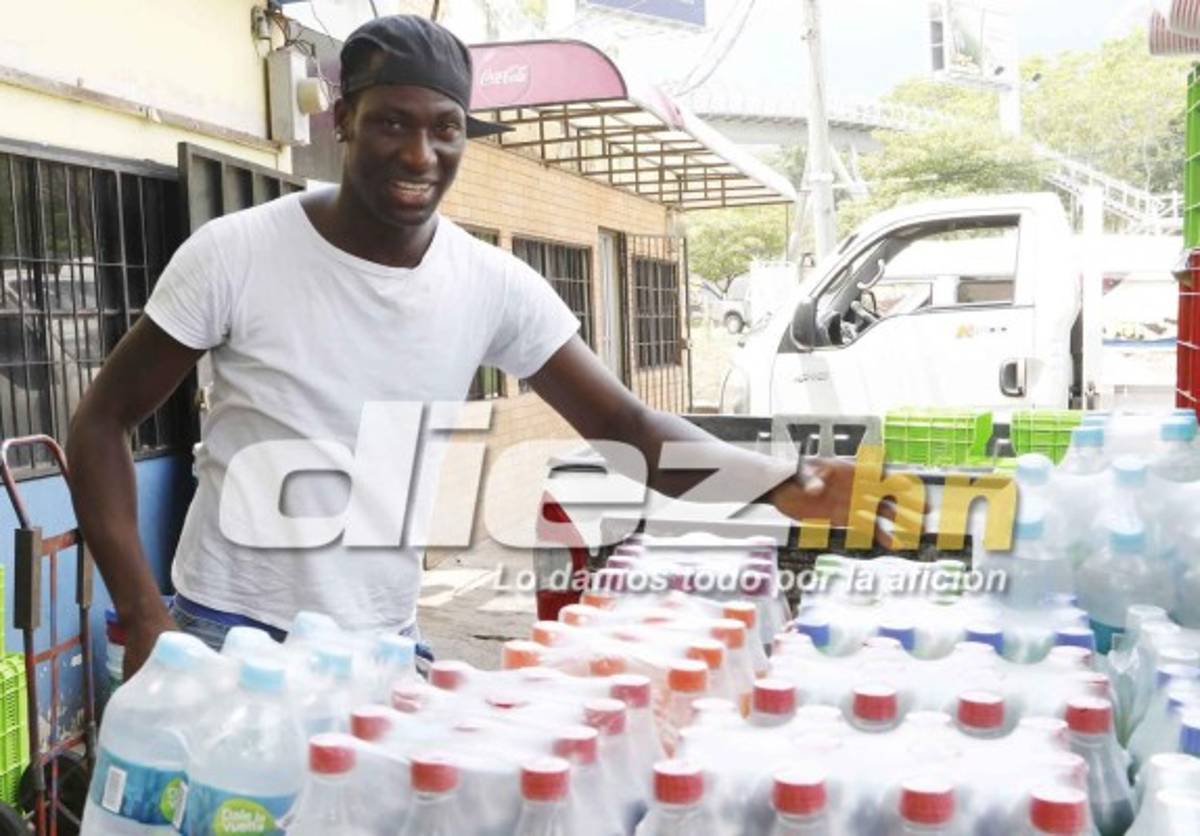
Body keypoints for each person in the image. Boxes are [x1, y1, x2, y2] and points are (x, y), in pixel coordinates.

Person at [66, 15, 888, 678]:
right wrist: (145, 615)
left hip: (381, 645)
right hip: (226, 636)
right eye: (391, 122)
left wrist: (787, 482)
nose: (420, 154)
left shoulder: (492, 283)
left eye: (446, 129)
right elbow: (100, 423)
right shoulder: (235, 252)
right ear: (344, 119)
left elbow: (633, 432)